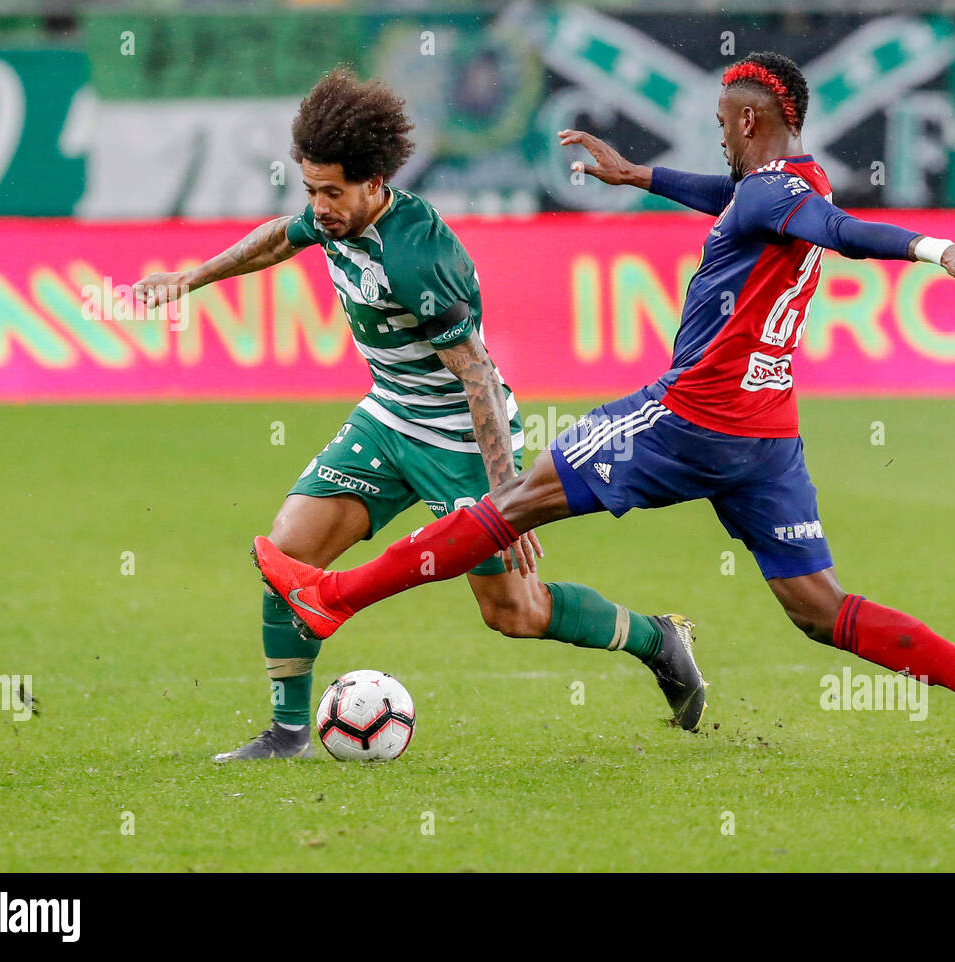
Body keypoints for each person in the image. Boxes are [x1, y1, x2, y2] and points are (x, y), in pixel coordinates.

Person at [253, 52, 955, 767]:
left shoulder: (784, 199)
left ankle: (335, 597)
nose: (717, 139)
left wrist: (933, 250)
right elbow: (756, 203)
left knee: (512, 503)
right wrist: (638, 177)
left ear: (749, 118)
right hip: (765, 437)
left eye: (719, 125)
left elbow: (840, 233)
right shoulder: (790, 185)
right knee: (820, 608)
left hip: (687, 419)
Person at [133, 68, 707, 762]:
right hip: (390, 418)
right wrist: (190, 278)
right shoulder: (331, 217)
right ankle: (287, 734)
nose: (318, 206)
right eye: (310, 189)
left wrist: (507, 501)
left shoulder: (416, 257)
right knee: (287, 556)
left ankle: (657, 639)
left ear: (375, 182)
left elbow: (479, 381)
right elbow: (279, 239)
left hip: (464, 436)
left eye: (331, 192)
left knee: (514, 613)